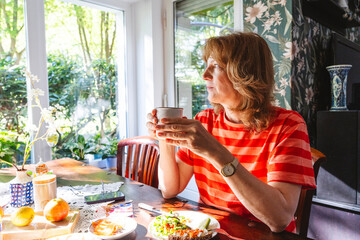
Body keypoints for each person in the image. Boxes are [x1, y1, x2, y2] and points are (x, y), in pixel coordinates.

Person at [146, 32, 315, 233]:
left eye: (216, 66)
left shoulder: (288, 126)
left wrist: (216, 152)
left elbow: (280, 219)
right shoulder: (204, 121)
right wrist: (165, 137)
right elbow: (169, 189)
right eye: (207, 65)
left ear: (245, 73)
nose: (205, 75)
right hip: (211, 233)